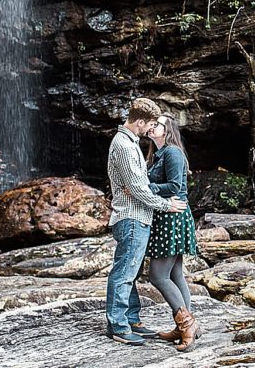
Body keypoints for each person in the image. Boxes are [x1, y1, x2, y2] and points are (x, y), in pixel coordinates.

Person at [105, 97, 186, 346]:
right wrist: (167, 205)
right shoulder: (125, 146)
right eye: (148, 124)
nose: (149, 129)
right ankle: (118, 326)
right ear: (139, 121)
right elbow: (138, 189)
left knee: (131, 271)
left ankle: (132, 320)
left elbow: (140, 187)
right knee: (124, 273)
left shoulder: (130, 143)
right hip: (131, 217)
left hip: (137, 217)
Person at [143, 113, 201, 351]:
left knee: (157, 275)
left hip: (173, 216)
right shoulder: (158, 154)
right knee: (176, 274)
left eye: (157, 124)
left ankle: (187, 324)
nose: (152, 126)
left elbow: (176, 187)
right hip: (168, 215)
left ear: (167, 130)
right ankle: (184, 326)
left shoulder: (172, 152)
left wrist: (145, 186)